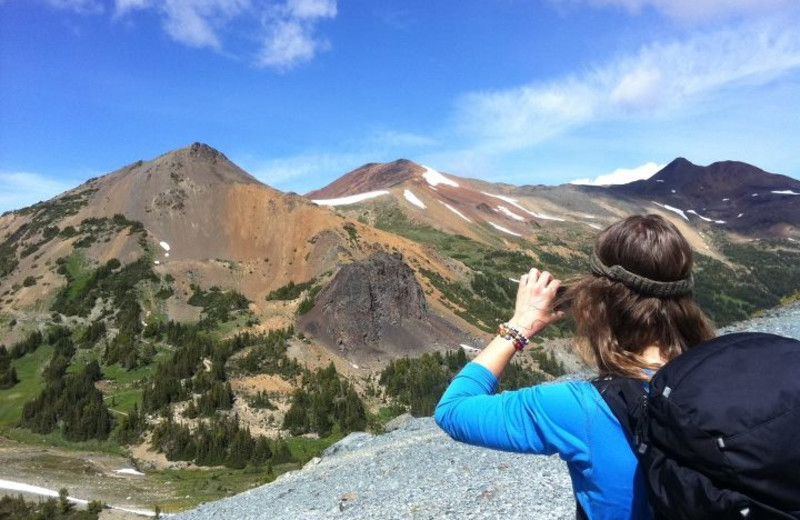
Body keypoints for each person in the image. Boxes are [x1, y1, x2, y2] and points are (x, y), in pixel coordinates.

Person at [434, 214, 715, 520]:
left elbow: (452, 410)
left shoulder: (583, 408)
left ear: (599, 300)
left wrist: (520, 325)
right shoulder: (733, 374)